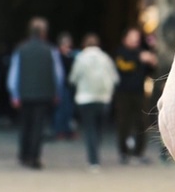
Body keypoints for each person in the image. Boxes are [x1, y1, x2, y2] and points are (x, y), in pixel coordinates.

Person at [8, 17, 62, 169]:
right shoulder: (50, 50)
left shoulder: (21, 49)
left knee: (25, 125)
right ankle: (34, 157)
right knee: (38, 127)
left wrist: (15, 94)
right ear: (44, 32)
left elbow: (14, 74)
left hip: (24, 94)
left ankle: (23, 155)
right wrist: (56, 92)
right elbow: (57, 74)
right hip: (44, 93)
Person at [68, 33, 119, 171]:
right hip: (103, 98)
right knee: (99, 129)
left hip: (85, 98)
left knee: (89, 129)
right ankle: (96, 152)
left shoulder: (80, 58)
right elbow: (115, 78)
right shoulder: (105, 58)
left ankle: (93, 160)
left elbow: (73, 78)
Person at [114, 28, 156, 164]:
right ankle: (123, 152)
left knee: (142, 122)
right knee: (124, 123)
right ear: (125, 39)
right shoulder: (121, 53)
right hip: (123, 93)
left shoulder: (141, 52)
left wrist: (152, 63)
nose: (135, 41)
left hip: (139, 92)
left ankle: (139, 152)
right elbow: (124, 66)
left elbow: (149, 72)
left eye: (136, 38)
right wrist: (139, 60)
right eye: (132, 37)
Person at [52, 32, 77, 139]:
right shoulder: (56, 56)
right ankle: (59, 130)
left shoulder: (72, 56)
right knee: (59, 109)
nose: (67, 47)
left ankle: (67, 130)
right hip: (59, 85)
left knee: (69, 109)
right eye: (64, 44)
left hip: (69, 85)